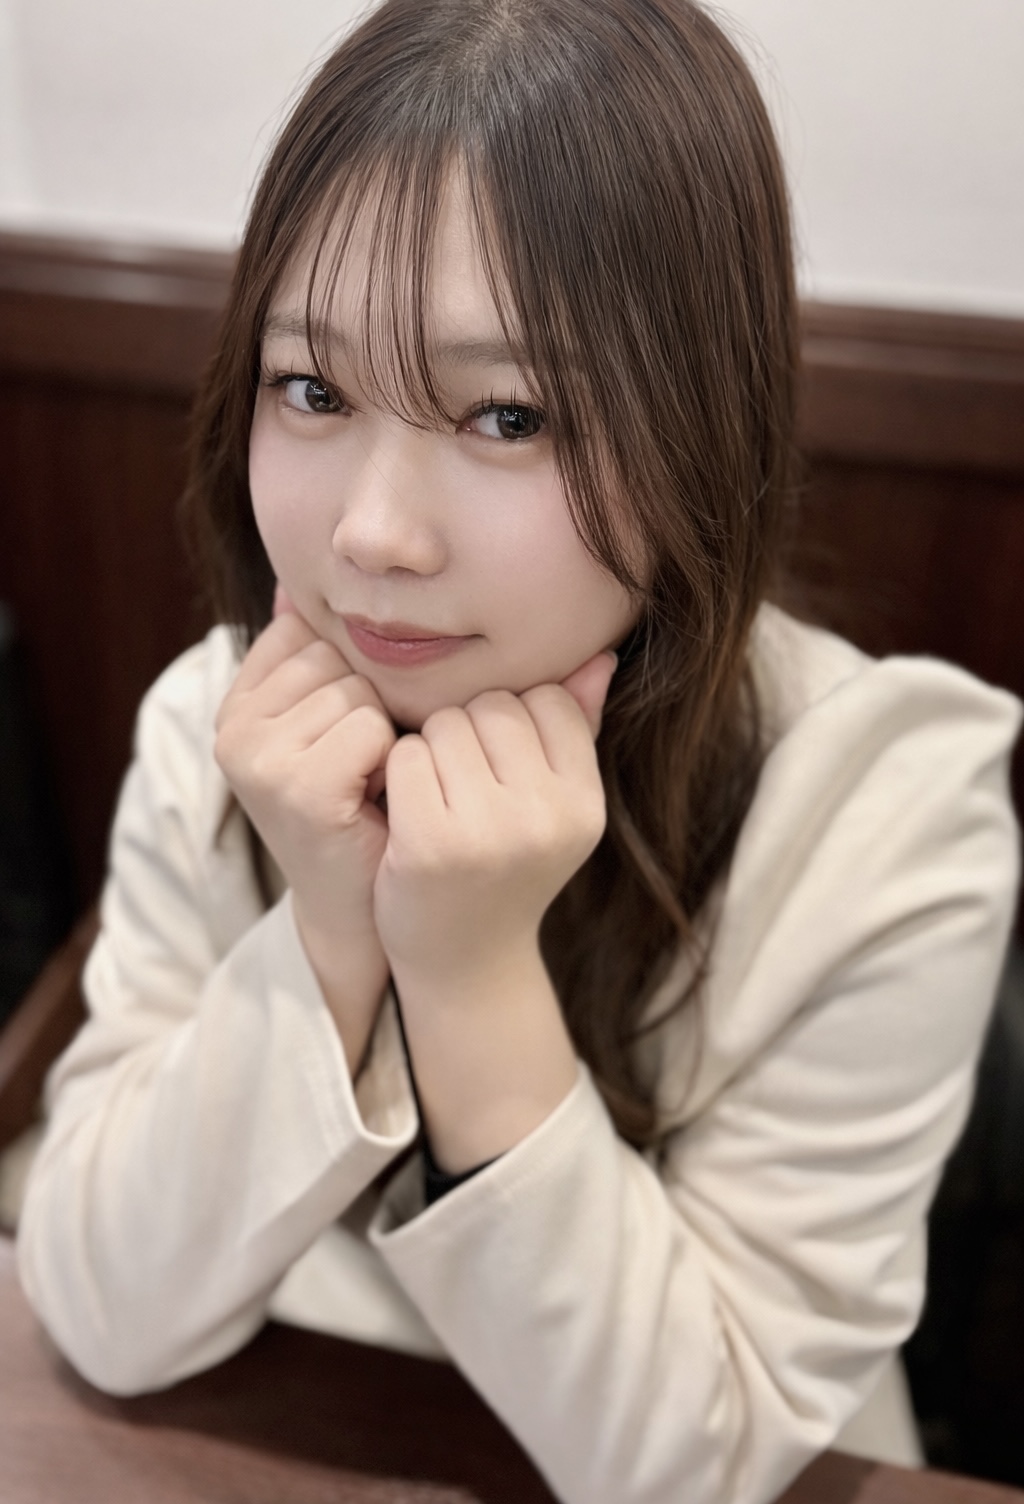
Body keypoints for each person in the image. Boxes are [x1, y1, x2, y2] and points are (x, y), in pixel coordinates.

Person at [16, 2, 1021, 1501]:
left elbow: (691, 1465)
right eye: (313, 389)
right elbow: (100, 1309)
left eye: (508, 415)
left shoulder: (884, 805)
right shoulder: (223, 726)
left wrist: (472, 969)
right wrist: (331, 921)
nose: (374, 534)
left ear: (704, 426)